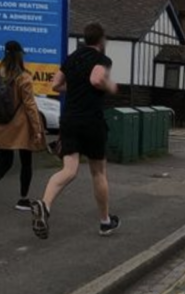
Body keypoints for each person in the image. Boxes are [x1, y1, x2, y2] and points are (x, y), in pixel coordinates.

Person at [30, 22, 119, 239]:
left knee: (69, 170)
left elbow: (56, 85)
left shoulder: (72, 58)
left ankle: (45, 204)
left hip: (69, 120)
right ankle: (105, 222)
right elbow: (96, 79)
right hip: (92, 121)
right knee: (98, 172)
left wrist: (77, 86)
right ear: (101, 40)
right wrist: (110, 86)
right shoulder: (101, 59)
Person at [0, 41, 45, 211]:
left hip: (0, 124)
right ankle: (23, 200)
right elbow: (30, 105)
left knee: (4, 162)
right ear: (20, 55)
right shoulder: (23, 77)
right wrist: (37, 129)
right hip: (21, 126)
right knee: (26, 163)